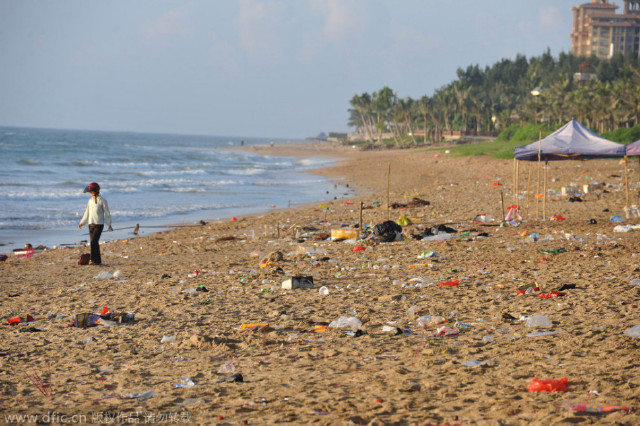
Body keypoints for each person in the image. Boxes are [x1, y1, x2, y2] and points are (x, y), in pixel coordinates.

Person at [78, 182, 112, 265]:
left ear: (96, 191)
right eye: (90, 192)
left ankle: (93, 260)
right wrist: (82, 222)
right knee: (93, 242)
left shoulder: (103, 201)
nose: (90, 193)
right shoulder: (90, 201)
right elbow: (87, 212)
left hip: (99, 224)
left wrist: (109, 224)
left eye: (92, 192)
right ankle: (96, 261)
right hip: (91, 224)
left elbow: (107, 213)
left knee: (94, 241)